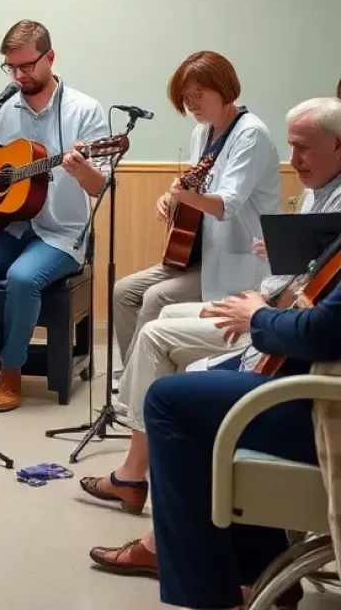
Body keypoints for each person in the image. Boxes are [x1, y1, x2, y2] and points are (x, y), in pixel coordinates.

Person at [83, 96, 341, 521]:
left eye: (303, 148)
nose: (293, 159)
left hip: (268, 309)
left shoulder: (254, 136)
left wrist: (258, 310)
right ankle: (136, 464)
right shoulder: (317, 189)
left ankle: (132, 472)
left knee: (154, 329)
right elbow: (314, 268)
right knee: (156, 311)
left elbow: (230, 205)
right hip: (269, 297)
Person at [88, 259, 341, 610]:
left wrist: (258, 317)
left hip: (330, 410)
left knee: (168, 401)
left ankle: (210, 596)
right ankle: (256, 572)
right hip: (320, 389)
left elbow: (322, 331)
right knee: (202, 392)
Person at [0, 20, 107, 412]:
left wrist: (80, 167)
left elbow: (100, 186)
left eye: (27, 66)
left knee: (21, 278)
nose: (18, 75)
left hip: (61, 234)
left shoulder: (84, 111)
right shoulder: (3, 103)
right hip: (8, 226)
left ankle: (12, 370)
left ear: (49, 57)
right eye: (11, 68)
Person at [113, 51, 279, 366]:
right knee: (123, 292)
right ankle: (135, 377)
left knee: (155, 297)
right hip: (198, 254)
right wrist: (172, 198)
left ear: (225, 88)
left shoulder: (250, 133)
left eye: (198, 95)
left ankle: (139, 385)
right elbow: (196, 185)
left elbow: (225, 204)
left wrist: (185, 196)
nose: (191, 104)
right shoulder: (202, 132)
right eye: (185, 97)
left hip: (238, 259)